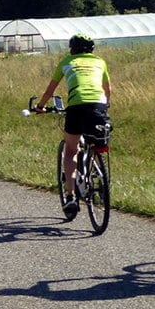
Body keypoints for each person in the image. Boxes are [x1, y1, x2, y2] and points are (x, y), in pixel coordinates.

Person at [36, 34, 111, 219]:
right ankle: (96, 167)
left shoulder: (67, 62)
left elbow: (50, 90)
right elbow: (108, 90)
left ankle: (71, 196)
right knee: (95, 140)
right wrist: (104, 107)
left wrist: (40, 106)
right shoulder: (100, 62)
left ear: (72, 49)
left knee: (70, 150)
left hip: (76, 106)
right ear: (92, 49)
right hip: (98, 106)